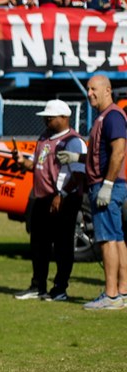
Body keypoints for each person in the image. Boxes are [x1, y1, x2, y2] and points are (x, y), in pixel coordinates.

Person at [11, 100, 85, 301]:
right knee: (39, 244)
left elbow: (78, 174)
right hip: (42, 197)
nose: (46, 120)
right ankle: (38, 285)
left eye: (50, 118)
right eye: (46, 117)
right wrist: (23, 163)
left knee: (62, 245)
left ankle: (60, 288)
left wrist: (61, 194)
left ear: (64, 118)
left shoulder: (73, 141)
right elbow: (39, 165)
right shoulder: (44, 137)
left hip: (64, 199)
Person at [65, 75, 127, 309]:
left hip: (106, 185)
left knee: (107, 240)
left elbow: (118, 152)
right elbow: (99, 155)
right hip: (107, 183)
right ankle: (122, 291)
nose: (89, 93)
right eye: (87, 89)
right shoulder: (105, 117)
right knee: (118, 238)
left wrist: (108, 185)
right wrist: (77, 157)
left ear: (107, 90)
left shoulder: (112, 116)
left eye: (93, 89)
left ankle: (111, 295)